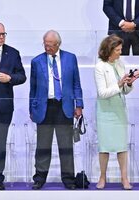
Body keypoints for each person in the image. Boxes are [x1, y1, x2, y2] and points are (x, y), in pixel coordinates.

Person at [29, 30, 84, 190]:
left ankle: (68, 179)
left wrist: (78, 105)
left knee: (66, 145)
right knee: (42, 146)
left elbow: (76, 83)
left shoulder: (70, 58)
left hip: (64, 107)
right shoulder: (36, 61)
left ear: (58, 44)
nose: (47, 48)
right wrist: (32, 108)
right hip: (44, 108)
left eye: (51, 46)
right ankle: (39, 178)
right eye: (45, 45)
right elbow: (32, 88)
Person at [0, 22, 26, 190]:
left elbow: (21, 76)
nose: (1, 37)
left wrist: (9, 79)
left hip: (3, 107)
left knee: (1, 144)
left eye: (3, 34)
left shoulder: (13, 53)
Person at [94, 34, 139, 190]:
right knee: (104, 146)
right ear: (110, 49)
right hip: (105, 111)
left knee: (121, 146)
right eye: (118, 50)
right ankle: (102, 177)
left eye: (121, 49)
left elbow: (123, 91)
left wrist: (129, 84)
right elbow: (102, 93)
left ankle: (124, 178)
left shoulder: (120, 64)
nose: (121, 52)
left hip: (119, 109)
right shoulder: (100, 66)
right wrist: (119, 84)